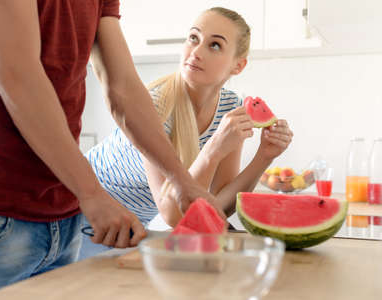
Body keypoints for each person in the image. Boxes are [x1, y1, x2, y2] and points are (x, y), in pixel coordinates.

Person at [0, 1, 224, 299]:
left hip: (63, 215)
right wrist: (92, 193)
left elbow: (121, 86)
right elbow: (17, 76)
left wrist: (181, 180)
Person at [80, 7, 293, 258]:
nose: (196, 52)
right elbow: (172, 214)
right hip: (85, 215)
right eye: (194, 38)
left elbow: (217, 205)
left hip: (130, 227)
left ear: (238, 65)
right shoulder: (156, 105)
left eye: (214, 45)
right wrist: (214, 149)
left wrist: (264, 157)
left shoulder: (230, 106)